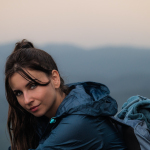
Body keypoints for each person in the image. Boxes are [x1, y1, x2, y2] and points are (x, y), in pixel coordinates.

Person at [5, 39, 127, 150]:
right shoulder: (52, 117)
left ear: (55, 79)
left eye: (32, 86)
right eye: (19, 93)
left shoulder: (78, 122)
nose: (26, 100)